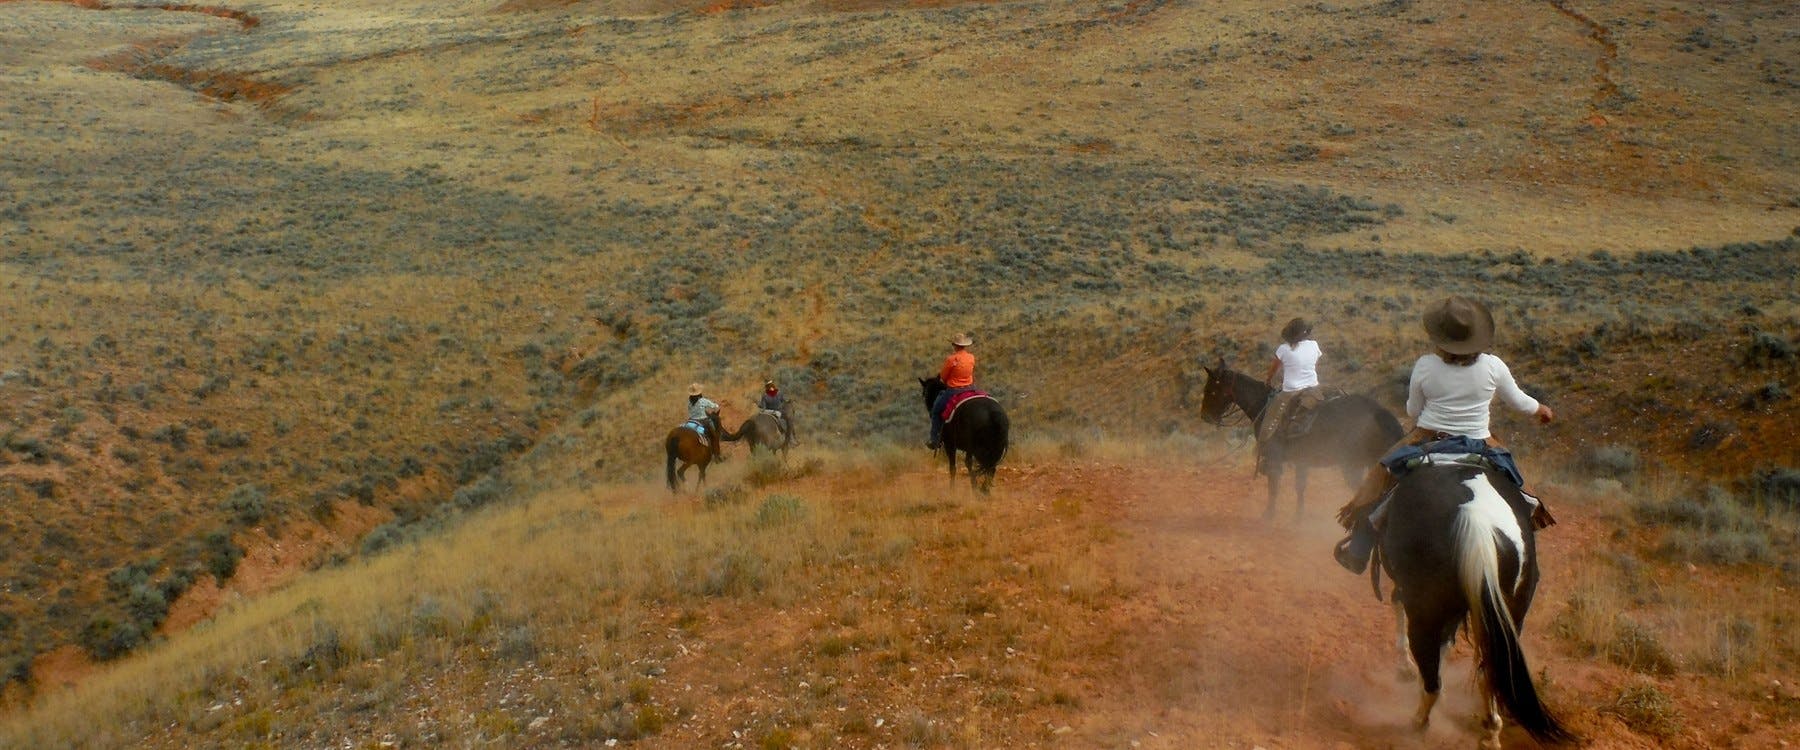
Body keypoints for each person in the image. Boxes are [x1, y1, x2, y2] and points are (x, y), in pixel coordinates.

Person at [1334, 296, 1555, 574]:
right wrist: (1542, 409)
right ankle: (1526, 557)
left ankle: (1358, 551)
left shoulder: (1425, 365)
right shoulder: (1494, 366)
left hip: (1427, 438)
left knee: (1379, 482)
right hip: (1481, 442)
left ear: (1439, 337)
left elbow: (1413, 410)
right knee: (1518, 491)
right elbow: (1519, 402)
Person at [1257, 318, 1323, 475]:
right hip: (1313, 389)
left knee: (1271, 419)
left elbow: (1273, 370)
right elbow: (1314, 363)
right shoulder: (1314, 345)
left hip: (1290, 391)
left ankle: (1269, 457)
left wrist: (1268, 381)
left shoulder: (1283, 349)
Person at [927, 333, 977, 450]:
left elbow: (943, 377)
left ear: (954, 345)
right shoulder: (971, 357)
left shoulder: (951, 359)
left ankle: (934, 440)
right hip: (970, 388)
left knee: (936, 411)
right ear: (964, 345)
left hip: (954, 390)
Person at [686, 383, 723, 460]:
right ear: (699, 393)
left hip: (691, 421)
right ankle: (717, 455)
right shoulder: (703, 401)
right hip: (703, 421)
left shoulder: (689, 402)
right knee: (714, 436)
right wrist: (714, 412)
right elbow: (716, 407)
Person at [758, 380, 797, 446]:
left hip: (767, 412)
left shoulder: (764, 395)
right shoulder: (779, 393)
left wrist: (758, 404)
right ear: (773, 385)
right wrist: (789, 400)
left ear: (767, 387)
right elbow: (784, 401)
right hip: (778, 412)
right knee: (789, 421)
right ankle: (791, 439)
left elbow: (763, 407)